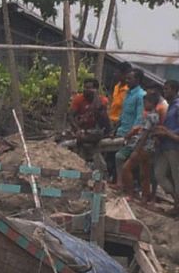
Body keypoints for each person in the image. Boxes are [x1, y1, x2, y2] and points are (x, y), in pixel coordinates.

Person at [115, 70, 153, 199]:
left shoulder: (141, 96)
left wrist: (132, 134)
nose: (127, 81)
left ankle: (128, 187)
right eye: (127, 78)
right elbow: (123, 114)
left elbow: (139, 118)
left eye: (130, 79)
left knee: (123, 158)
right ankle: (122, 183)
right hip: (122, 131)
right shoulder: (128, 93)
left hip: (132, 135)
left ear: (138, 80)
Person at [69, 79, 112, 169]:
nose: (85, 90)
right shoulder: (78, 99)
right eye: (84, 87)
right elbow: (71, 116)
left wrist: (95, 97)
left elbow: (102, 114)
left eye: (89, 88)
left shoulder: (102, 100)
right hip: (81, 128)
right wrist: (77, 129)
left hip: (97, 129)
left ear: (95, 89)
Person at [153, 79, 179, 208]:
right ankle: (176, 200)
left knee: (176, 177)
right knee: (159, 174)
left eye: (167, 89)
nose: (164, 91)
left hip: (174, 147)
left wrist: (167, 132)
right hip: (165, 146)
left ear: (174, 90)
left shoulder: (177, 106)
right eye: (164, 89)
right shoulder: (170, 106)